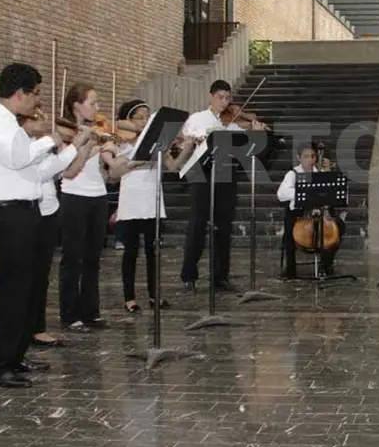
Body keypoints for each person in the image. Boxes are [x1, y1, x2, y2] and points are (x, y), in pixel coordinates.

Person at [0, 63, 91, 388]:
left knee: (31, 289)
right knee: (12, 289)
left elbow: (38, 171)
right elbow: (16, 158)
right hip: (4, 213)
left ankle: (16, 356)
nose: (38, 102)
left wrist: (75, 147)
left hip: (27, 210)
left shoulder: (12, 125)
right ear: (20, 93)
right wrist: (51, 137)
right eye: (35, 94)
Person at [106, 99, 197, 313]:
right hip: (131, 200)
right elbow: (113, 173)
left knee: (152, 251)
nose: (145, 121)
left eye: (148, 117)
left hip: (152, 199)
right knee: (130, 252)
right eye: (140, 117)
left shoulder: (157, 144)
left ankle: (155, 295)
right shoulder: (123, 142)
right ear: (128, 119)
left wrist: (188, 147)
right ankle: (129, 297)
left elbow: (172, 166)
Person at [179, 79, 267, 292]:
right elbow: (186, 138)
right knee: (197, 226)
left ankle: (221, 277)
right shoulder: (197, 118)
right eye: (220, 97)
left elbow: (246, 150)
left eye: (227, 98)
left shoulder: (233, 123)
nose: (224, 102)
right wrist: (199, 137)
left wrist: (256, 133)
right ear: (211, 97)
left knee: (224, 227)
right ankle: (189, 276)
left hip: (226, 176)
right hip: (202, 175)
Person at [20, 112, 94, 350]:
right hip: (32, 212)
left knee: (42, 275)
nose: (44, 119)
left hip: (49, 209)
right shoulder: (27, 147)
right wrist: (73, 145)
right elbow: (42, 173)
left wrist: (74, 147)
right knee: (28, 276)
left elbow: (57, 170)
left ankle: (37, 327)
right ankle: (26, 330)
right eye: (36, 116)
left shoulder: (40, 145)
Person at [58, 83, 120, 332]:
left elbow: (111, 168)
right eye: (92, 103)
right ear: (76, 106)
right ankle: (70, 313)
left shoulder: (96, 130)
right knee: (73, 257)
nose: (97, 107)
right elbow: (70, 171)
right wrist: (89, 146)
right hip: (74, 196)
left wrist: (110, 151)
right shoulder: (64, 132)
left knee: (93, 257)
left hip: (97, 195)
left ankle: (91, 311)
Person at [277, 143, 346, 279]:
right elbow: (281, 194)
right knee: (289, 227)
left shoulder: (321, 171)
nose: (310, 160)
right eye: (306, 156)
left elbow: (335, 194)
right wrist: (304, 192)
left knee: (340, 227)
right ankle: (291, 267)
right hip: (300, 214)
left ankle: (326, 263)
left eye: (313, 156)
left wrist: (328, 176)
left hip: (321, 212)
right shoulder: (293, 174)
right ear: (299, 158)